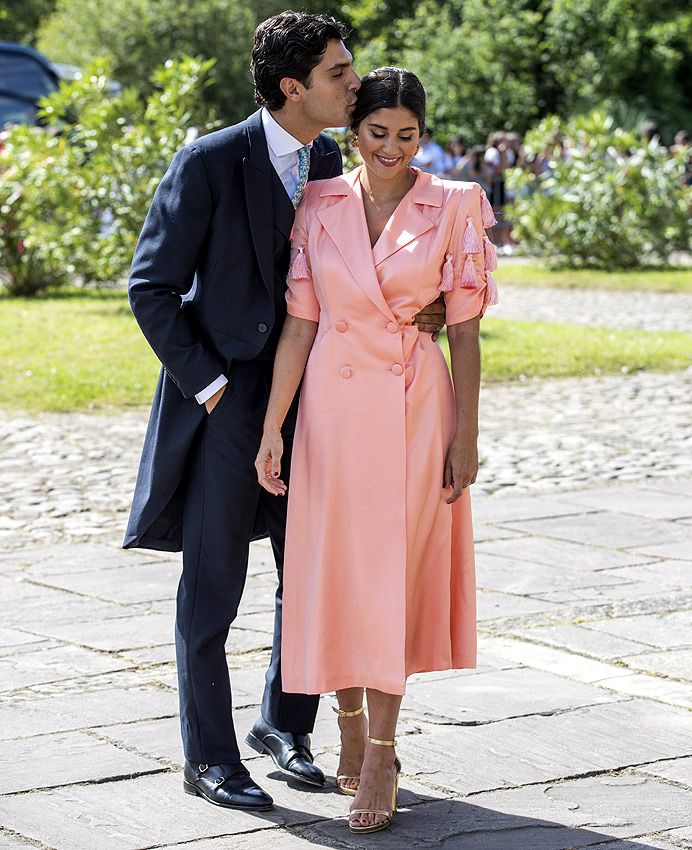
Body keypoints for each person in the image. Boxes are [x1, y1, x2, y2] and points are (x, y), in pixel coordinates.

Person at [123, 12, 443, 812]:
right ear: (293, 87)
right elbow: (150, 288)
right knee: (214, 586)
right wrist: (215, 388)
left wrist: (427, 311)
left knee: (311, 574)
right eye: (340, 72)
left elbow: (361, 265)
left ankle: (284, 727)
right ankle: (208, 757)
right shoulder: (206, 162)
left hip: (321, 403)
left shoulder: (332, 155)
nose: (355, 81)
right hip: (227, 406)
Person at [255, 67, 498, 834]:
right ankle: (348, 726)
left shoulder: (455, 206)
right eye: (376, 132)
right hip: (330, 405)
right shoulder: (318, 202)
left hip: (414, 409)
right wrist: (273, 426)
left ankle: (383, 753)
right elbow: (299, 322)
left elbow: (463, 331)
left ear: (423, 135)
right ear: (350, 131)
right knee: (338, 573)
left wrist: (468, 432)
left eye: (408, 134)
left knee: (392, 575)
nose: (392, 147)